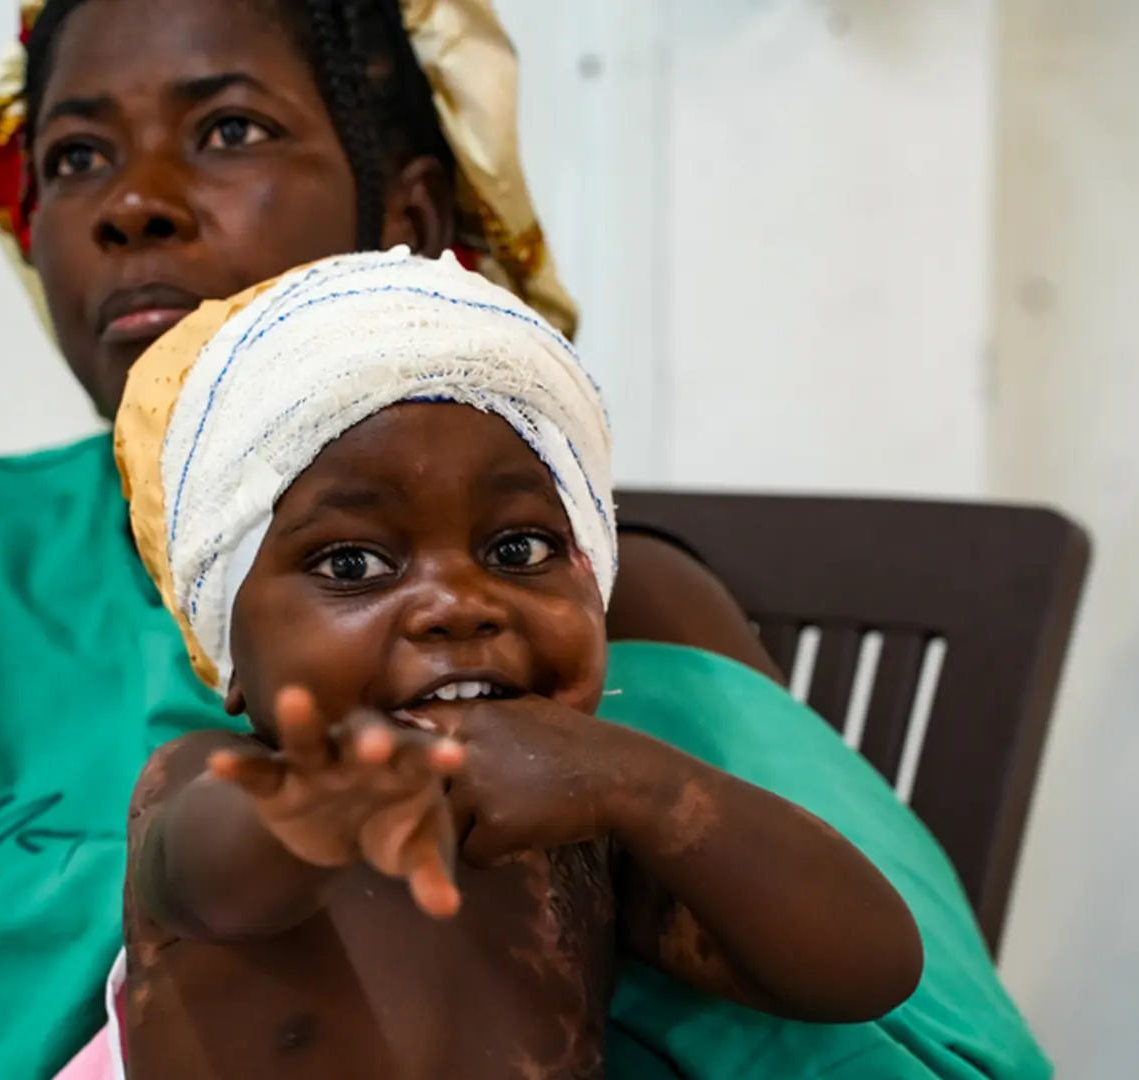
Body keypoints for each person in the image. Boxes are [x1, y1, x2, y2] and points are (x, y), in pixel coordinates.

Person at [0, 2, 1050, 1078]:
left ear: (409, 214)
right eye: (75, 158)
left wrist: (643, 786)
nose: (132, 205)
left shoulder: (610, 621)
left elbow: (881, 1022)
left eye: (230, 129)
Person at [74, 249, 922, 1079]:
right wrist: (308, 809)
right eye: (353, 564)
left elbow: (867, 969)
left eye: (518, 549)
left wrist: (641, 786)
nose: (457, 603)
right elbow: (205, 883)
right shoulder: (205, 783)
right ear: (231, 657)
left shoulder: (584, 846)